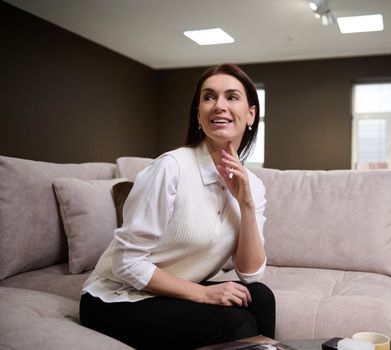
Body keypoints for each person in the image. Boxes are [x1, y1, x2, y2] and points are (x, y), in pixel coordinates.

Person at [79, 63, 276, 350]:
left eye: (232, 97)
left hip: (169, 292)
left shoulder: (253, 186)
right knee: (236, 323)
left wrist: (245, 204)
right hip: (115, 297)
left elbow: (250, 273)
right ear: (199, 114)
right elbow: (126, 263)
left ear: (250, 114)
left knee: (260, 297)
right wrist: (204, 294)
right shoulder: (170, 168)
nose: (219, 105)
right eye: (209, 97)